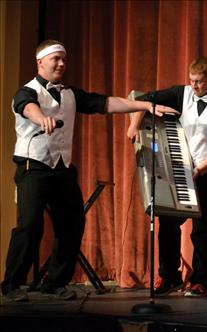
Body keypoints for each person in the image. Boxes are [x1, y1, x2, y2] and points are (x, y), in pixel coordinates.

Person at [1, 40, 175, 302]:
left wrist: (145, 106)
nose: (61, 63)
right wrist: (42, 119)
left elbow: (107, 103)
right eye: (55, 59)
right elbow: (27, 107)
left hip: (62, 167)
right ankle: (12, 284)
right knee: (30, 225)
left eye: (63, 59)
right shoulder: (27, 91)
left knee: (73, 222)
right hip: (33, 165)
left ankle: (55, 282)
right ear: (40, 62)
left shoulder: (71, 94)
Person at [127, 57, 207, 297]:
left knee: (202, 228)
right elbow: (144, 99)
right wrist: (134, 125)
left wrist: (200, 169)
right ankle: (169, 276)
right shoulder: (182, 93)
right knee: (167, 220)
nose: (194, 86)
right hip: (180, 169)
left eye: (199, 82)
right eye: (192, 81)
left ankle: (199, 280)